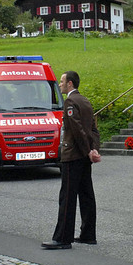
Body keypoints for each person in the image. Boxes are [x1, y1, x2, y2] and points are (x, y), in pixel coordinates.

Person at [42, 70, 101, 250]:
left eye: (61, 82)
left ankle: (62, 238)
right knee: (86, 195)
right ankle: (88, 234)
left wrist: (87, 151)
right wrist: (94, 149)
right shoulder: (85, 100)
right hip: (84, 156)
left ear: (70, 84)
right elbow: (93, 129)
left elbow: (76, 130)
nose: (59, 85)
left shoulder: (70, 101)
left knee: (67, 197)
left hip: (73, 155)